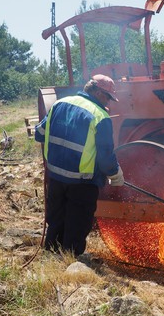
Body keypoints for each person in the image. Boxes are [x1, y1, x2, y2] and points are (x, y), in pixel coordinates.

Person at [35, 74, 124, 257]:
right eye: (108, 96)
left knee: (56, 220)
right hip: (82, 183)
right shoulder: (100, 117)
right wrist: (115, 174)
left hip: (56, 178)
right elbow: (105, 156)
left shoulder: (60, 104)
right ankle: (70, 264)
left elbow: (39, 134)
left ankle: (51, 259)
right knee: (77, 224)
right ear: (98, 92)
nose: (109, 101)